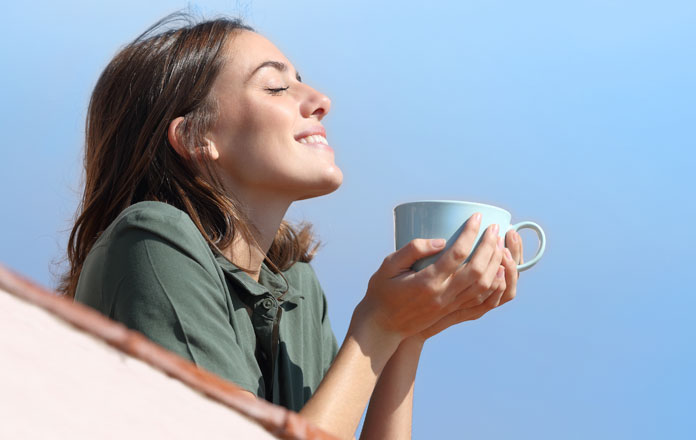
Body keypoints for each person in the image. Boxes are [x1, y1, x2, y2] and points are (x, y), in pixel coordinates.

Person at [58, 12, 524, 439]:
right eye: (276, 88)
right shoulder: (150, 239)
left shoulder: (296, 288)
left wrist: (407, 333)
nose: (321, 100)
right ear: (197, 137)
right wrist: (377, 326)